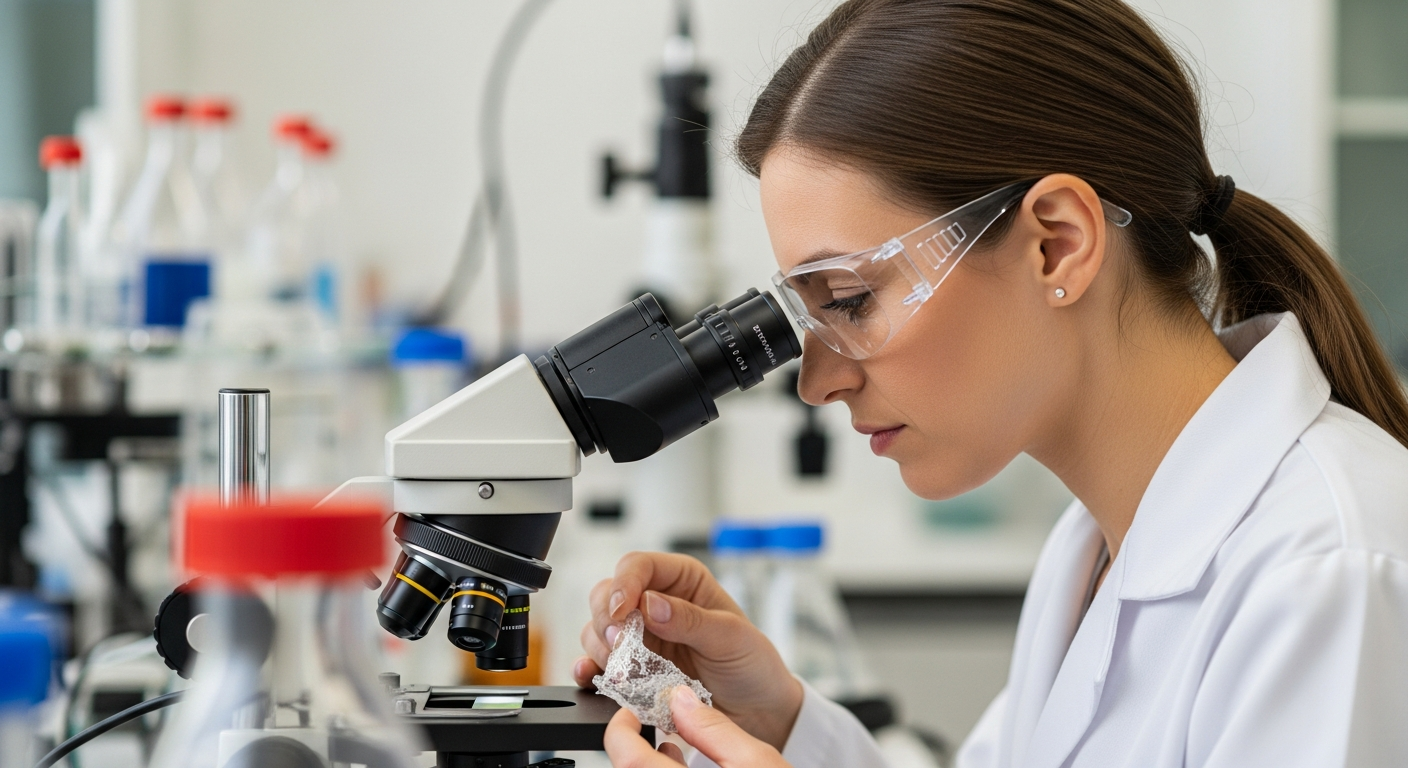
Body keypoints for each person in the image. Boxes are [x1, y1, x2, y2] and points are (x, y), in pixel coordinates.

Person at [574, 0, 1408, 766]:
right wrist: (782, 724)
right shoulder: (1095, 546)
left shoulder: (1323, 571)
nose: (817, 382)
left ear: (1057, 243)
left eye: (852, 300)